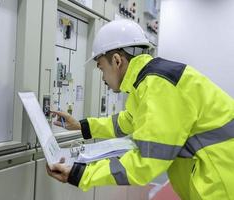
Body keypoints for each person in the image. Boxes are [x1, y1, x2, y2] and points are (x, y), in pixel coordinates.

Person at [47, 19, 234, 200]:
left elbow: (146, 162)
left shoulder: (158, 85)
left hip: (221, 184)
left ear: (117, 61)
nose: (103, 78)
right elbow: (128, 121)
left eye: (102, 68)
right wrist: (82, 126)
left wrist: (80, 174)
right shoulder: (149, 81)